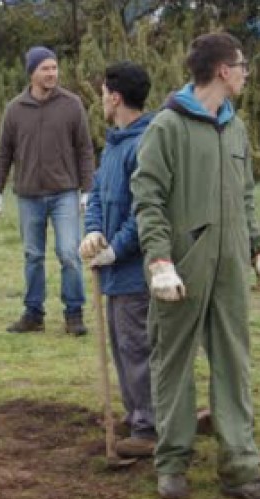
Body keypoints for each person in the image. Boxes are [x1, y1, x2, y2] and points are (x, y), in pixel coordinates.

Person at [131, 32, 260, 499]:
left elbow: (243, 197)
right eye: (241, 65)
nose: (245, 73)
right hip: (181, 269)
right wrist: (159, 261)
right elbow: (149, 199)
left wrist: (257, 248)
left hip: (229, 271)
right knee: (174, 364)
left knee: (234, 364)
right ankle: (172, 463)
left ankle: (241, 468)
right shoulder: (167, 127)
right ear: (222, 70)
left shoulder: (235, 128)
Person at [0, 45, 95, 336]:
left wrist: (88, 190)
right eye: (45, 68)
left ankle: (74, 314)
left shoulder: (72, 105)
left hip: (64, 193)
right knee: (33, 255)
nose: (52, 73)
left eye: (54, 67)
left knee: (69, 253)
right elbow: (3, 154)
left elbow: (85, 150)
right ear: (32, 73)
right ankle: (33, 314)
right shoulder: (15, 109)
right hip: (28, 195)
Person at [80, 62, 157, 457]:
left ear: (115, 96)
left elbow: (144, 214)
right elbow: (95, 196)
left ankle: (148, 428)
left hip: (135, 272)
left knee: (136, 348)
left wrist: (116, 249)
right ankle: (134, 412)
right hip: (112, 271)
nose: (101, 101)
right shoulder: (113, 143)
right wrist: (93, 231)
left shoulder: (146, 145)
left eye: (103, 93)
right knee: (120, 345)